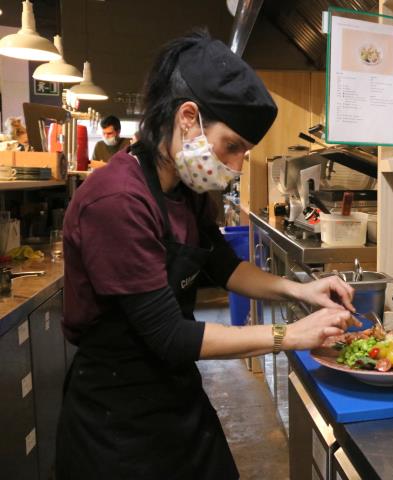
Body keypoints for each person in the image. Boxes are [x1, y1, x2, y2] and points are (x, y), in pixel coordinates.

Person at [56, 30, 360, 480]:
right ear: (188, 118)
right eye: (232, 146)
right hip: (116, 415)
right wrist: (289, 336)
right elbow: (171, 336)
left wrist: (301, 289)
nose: (236, 166)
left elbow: (223, 265)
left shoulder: (184, 188)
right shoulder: (117, 200)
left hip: (175, 394)